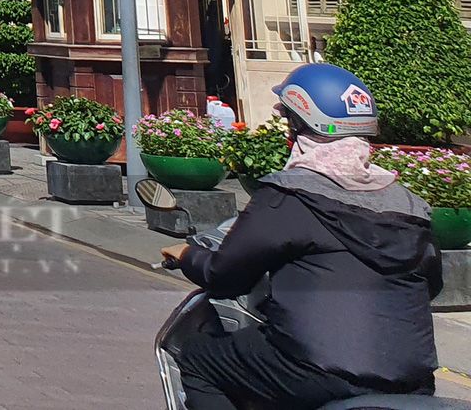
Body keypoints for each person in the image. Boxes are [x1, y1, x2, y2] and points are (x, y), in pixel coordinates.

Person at [160, 64, 440, 410]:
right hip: (412, 378)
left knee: (198, 357)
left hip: (315, 372)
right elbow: (433, 284)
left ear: (299, 128)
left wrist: (187, 256)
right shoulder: (408, 204)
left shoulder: (290, 196)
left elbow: (225, 275)